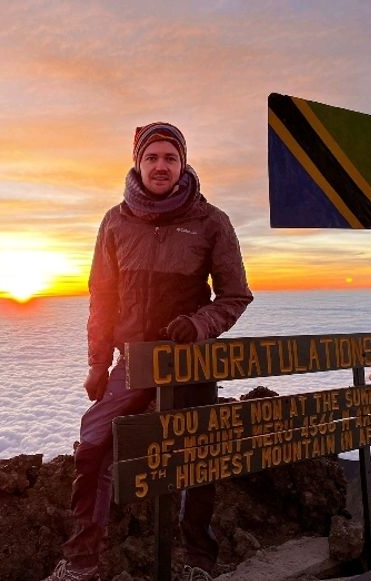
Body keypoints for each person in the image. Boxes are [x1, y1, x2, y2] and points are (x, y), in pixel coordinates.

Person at [48, 122, 253, 581]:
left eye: (170, 158)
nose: (161, 166)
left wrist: (198, 324)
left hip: (190, 362)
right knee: (95, 445)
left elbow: (235, 296)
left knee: (198, 458)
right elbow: (102, 297)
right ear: (137, 163)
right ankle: (83, 562)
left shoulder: (211, 221)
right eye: (152, 157)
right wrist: (99, 363)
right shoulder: (116, 221)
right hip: (134, 363)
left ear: (183, 164)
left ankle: (198, 561)